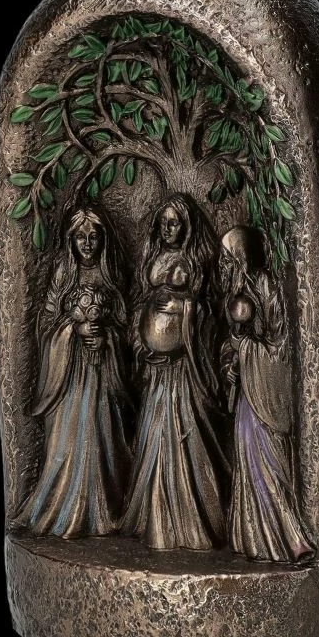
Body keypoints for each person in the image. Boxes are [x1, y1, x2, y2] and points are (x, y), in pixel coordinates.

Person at [121, 194, 229, 550]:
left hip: (184, 369)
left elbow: (210, 312)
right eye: (164, 222)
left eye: (176, 222)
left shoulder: (194, 262)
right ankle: (154, 516)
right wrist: (144, 343)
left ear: (187, 226)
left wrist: (186, 309)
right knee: (154, 434)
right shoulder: (152, 257)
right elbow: (140, 306)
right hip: (155, 371)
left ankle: (190, 520)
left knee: (185, 432)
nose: (169, 228)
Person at [16, 207, 132, 538]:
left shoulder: (110, 275)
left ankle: (103, 509)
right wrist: (72, 331)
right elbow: (46, 323)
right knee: (71, 437)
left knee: (102, 434)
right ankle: (64, 508)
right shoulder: (64, 273)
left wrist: (107, 338)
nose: (87, 243)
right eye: (81, 237)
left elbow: (124, 325)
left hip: (102, 371)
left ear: (103, 240)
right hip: (69, 374)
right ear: (71, 240)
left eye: (93, 237)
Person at [220, 227, 315, 563]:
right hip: (247, 394)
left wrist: (245, 349)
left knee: (269, 463)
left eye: (228, 258)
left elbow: (278, 345)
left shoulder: (264, 284)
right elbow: (231, 341)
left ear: (241, 256)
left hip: (265, 390)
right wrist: (232, 362)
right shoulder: (234, 290)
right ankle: (253, 536)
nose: (224, 265)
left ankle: (290, 538)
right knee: (247, 458)